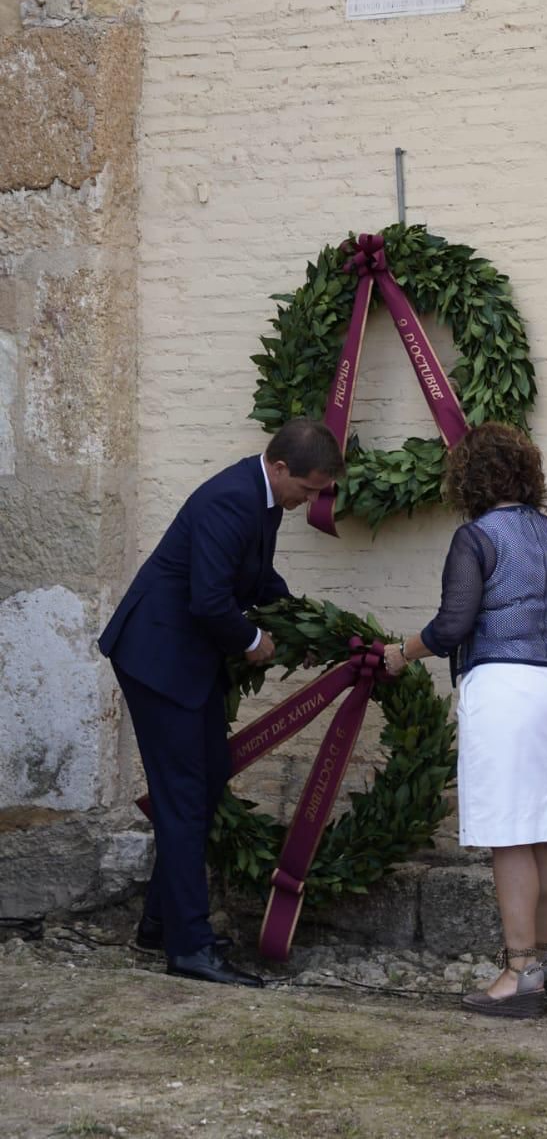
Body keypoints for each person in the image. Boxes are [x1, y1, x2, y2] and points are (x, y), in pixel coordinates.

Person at [98, 418, 344, 988]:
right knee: (183, 799)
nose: (307, 502)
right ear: (280, 467)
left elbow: (255, 578)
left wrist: (301, 625)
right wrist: (257, 642)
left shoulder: (262, 500)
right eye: (306, 490)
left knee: (204, 785)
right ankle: (190, 948)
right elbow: (210, 600)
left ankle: (161, 922)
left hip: (188, 661)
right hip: (158, 659)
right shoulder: (231, 500)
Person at [383, 422, 547, 1019]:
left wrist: (402, 652)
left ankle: (519, 971)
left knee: (507, 834)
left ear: (466, 479)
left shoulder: (476, 538)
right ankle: (544, 965)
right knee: (544, 829)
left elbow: (452, 626)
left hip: (505, 686)